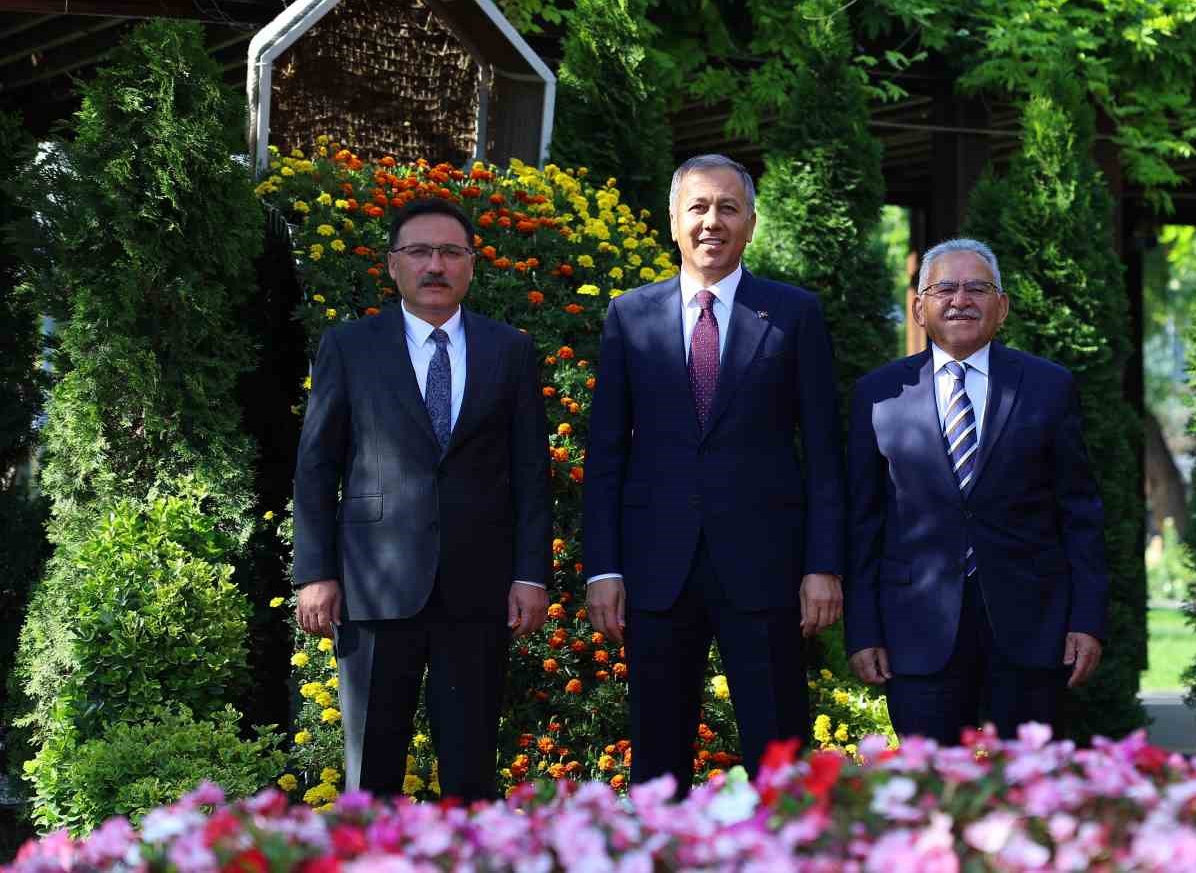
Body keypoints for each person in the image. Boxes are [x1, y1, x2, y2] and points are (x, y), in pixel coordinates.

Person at [583, 154, 846, 796]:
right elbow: (608, 453)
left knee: (780, 760)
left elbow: (823, 451)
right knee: (657, 762)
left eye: (728, 208)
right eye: (698, 207)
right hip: (656, 570)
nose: (712, 221)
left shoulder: (794, 315)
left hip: (766, 571)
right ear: (673, 221)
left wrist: (823, 566)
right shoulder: (629, 316)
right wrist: (604, 568)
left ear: (751, 223)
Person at [292, 196, 552, 802]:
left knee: (469, 775)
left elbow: (531, 472)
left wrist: (531, 575)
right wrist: (316, 573)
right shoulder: (350, 346)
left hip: (477, 590)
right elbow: (315, 466)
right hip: (374, 589)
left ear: (470, 264)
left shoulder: (509, 350)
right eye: (419, 252)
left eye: (450, 252)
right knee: (371, 774)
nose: (435, 265)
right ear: (392, 265)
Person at [843, 237, 1108, 745]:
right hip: (916, 630)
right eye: (944, 287)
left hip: (1034, 627)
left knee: (1033, 790)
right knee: (933, 794)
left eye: (977, 288)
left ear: (1002, 307)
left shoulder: (1048, 387)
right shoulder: (877, 395)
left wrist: (1087, 620)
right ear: (919, 308)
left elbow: (1081, 513)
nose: (960, 299)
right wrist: (864, 631)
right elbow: (863, 521)